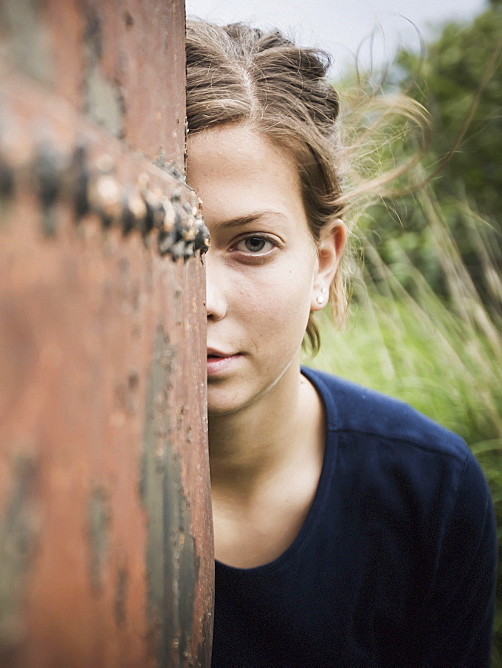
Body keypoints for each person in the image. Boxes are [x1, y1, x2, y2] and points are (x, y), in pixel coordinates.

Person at [185, 20, 497, 666]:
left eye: (253, 244)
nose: (205, 300)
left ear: (323, 262)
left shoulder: (430, 489)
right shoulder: (56, 483)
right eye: (177, 243)